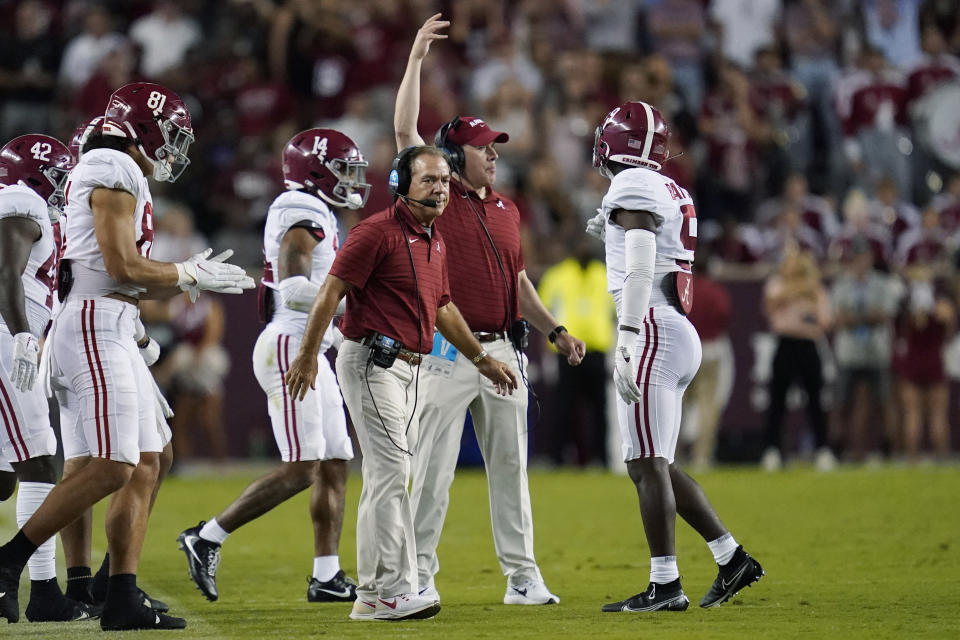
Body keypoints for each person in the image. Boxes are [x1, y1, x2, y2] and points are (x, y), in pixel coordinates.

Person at [0, 82, 255, 630]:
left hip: (107, 322)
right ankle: (10, 562)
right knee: (112, 465)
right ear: (144, 125)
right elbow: (120, 267)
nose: (176, 148)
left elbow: (126, 278)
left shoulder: (113, 167)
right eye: (171, 134)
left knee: (148, 459)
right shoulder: (114, 165)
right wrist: (186, 273)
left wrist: (169, 297)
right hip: (91, 325)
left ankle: (117, 593)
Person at [394, 14, 585, 606]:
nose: (494, 154)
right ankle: (419, 574)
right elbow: (405, 132)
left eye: (494, 146)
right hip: (449, 348)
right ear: (453, 155)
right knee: (432, 471)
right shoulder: (437, 195)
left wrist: (553, 328)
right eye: (483, 147)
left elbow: (519, 280)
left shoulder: (507, 209)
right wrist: (417, 59)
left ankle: (522, 577)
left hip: (505, 344)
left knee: (511, 469)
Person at [285, 145, 519, 621]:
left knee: (385, 479)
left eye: (443, 180)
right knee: (393, 472)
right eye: (427, 180)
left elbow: (445, 307)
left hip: (411, 367)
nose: (439, 188)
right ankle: (395, 590)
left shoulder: (435, 239)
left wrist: (480, 359)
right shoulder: (376, 232)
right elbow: (332, 290)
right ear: (400, 183)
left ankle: (372, 595)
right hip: (372, 360)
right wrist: (308, 355)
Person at [586, 100, 764, 613]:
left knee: (644, 464)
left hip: (652, 326)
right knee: (655, 463)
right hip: (674, 329)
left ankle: (665, 585)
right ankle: (731, 559)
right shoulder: (671, 187)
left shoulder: (632, 186)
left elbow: (642, 265)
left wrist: (626, 335)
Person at [177, 129, 368, 604]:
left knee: (335, 462)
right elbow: (295, 287)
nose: (351, 180)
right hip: (291, 346)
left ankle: (326, 574)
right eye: (343, 169)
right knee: (302, 468)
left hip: (311, 347)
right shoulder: (300, 211)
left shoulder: (315, 210)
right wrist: (355, 302)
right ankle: (207, 537)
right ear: (317, 170)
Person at [0, 133, 94, 622]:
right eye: (60, 176)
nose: (64, 187)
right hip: (7, 335)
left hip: (16, 335)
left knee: (3, 477)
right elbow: (6, 274)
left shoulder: (34, 207)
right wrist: (21, 335)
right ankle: (43, 593)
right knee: (39, 461)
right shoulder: (20, 200)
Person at [761, 246, 834, 471]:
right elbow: (771, 307)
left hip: (809, 345)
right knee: (777, 401)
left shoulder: (816, 290)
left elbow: (824, 321)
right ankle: (772, 451)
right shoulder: (778, 284)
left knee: (815, 400)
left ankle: (822, 450)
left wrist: (803, 295)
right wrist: (800, 290)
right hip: (785, 344)